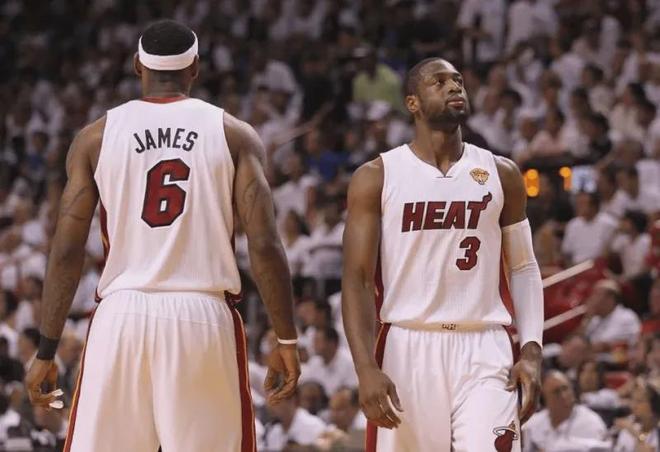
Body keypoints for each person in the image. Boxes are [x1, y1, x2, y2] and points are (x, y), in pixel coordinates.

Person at [23, 20, 300, 452]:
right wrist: (286, 339)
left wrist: (46, 349)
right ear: (195, 68)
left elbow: (66, 250)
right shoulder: (233, 134)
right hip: (201, 314)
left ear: (138, 65)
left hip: (121, 315)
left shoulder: (95, 137)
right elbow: (263, 244)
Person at [342, 57, 544, 451]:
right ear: (412, 103)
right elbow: (358, 279)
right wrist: (365, 367)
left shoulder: (502, 173)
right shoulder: (377, 176)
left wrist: (531, 349)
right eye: (439, 82)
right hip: (408, 345)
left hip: (485, 345)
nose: (454, 87)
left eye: (458, 81)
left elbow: (523, 266)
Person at [523, 370, 610, 451]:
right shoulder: (532, 423)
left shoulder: (591, 422)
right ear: (544, 399)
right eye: (556, 392)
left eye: (565, 389)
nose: (564, 395)